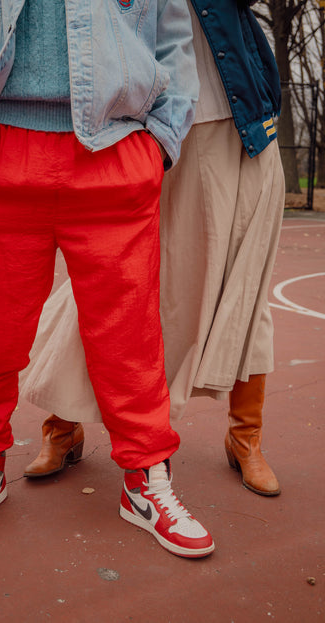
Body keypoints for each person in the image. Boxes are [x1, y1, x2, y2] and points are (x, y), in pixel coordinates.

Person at [0, 0, 217, 558]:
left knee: (130, 340)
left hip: (115, 151)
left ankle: (146, 477)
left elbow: (174, 32)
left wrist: (160, 141)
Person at [21, 0, 284, 497]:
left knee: (246, 282)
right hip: (147, 126)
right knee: (107, 275)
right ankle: (63, 423)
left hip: (243, 120)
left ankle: (245, 436)